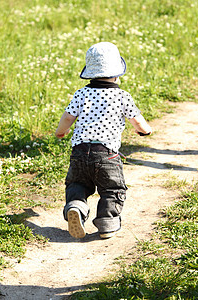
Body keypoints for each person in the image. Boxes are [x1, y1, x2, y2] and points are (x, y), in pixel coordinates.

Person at [55, 42, 152, 239]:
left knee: (77, 184)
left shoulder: (81, 93)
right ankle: (107, 223)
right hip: (107, 155)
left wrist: (61, 131)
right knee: (112, 189)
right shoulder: (122, 96)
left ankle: (76, 207)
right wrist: (145, 131)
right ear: (117, 73)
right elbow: (137, 121)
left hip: (80, 153)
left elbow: (67, 117)